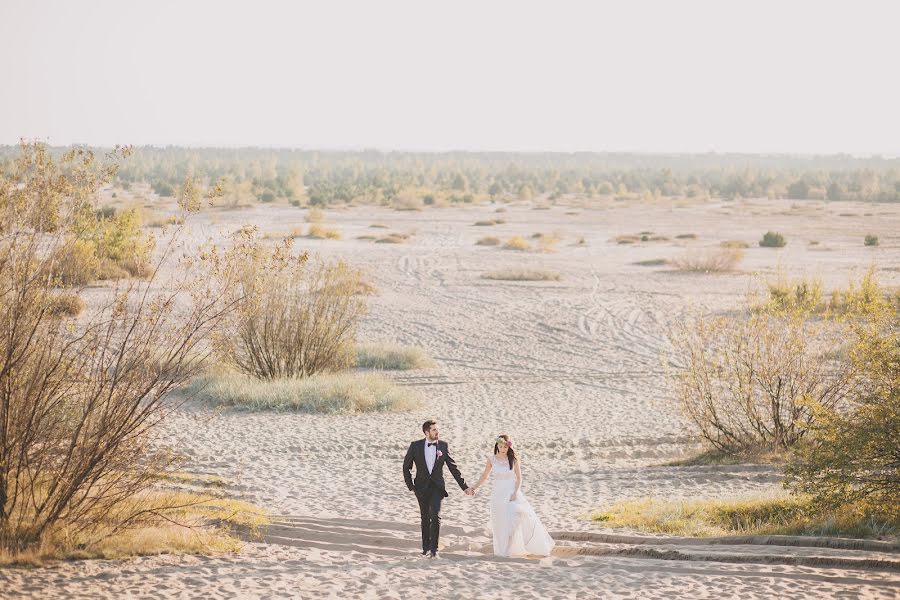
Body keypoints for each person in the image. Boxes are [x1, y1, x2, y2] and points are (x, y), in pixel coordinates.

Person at [470, 434, 554, 557]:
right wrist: (473, 487)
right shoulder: (491, 459)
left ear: (509, 447)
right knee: (500, 524)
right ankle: (502, 551)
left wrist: (515, 492)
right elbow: (484, 476)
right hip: (497, 496)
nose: (503, 449)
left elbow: (519, 478)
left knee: (513, 520)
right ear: (496, 446)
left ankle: (509, 549)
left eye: (505, 446)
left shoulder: (513, 460)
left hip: (511, 494)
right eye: (500, 446)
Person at [403, 419, 473, 558]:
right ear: (426, 432)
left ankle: (434, 550)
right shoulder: (415, 446)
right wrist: (411, 486)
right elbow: (406, 467)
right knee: (425, 517)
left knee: (435, 516)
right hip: (421, 488)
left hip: (437, 487)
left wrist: (464, 487)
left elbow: (453, 468)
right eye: (434, 430)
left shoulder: (443, 446)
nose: (437, 432)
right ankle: (426, 548)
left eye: (437, 429)